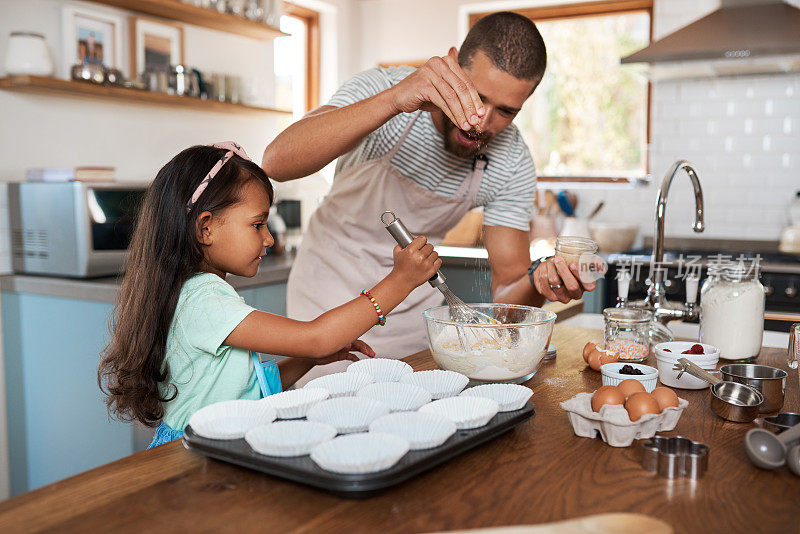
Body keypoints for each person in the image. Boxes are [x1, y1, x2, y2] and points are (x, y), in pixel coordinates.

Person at [261, 12, 596, 373]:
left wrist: (537, 280)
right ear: (452, 64)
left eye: (506, 111)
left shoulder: (511, 161)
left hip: (410, 313)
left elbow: (506, 294)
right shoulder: (385, 89)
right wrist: (393, 100)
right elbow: (276, 162)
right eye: (477, 96)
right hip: (326, 302)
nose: (481, 120)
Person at [97, 142, 441, 448]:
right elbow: (317, 337)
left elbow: (244, 387)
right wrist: (400, 281)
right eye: (257, 225)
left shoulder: (195, 292)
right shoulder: (203, 300)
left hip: (219, 439)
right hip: (197, 450)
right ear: (206, 228)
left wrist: (309, 360)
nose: (269, 239)